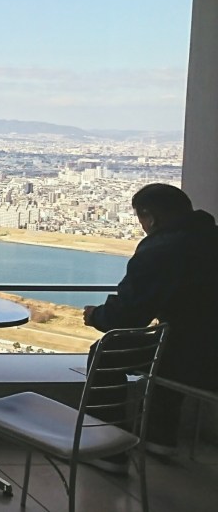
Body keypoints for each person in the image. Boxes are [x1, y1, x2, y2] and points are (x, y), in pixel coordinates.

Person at [82, 183, 218, 469]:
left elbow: (127, 317)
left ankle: (107, 448)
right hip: (204, 353)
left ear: (151, 217)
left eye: (141, 219)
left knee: (109, 351)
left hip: (197, 361)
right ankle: (159, 437)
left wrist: (97, 316)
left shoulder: (164, 248)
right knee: (170, 343)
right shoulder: (210, 236)